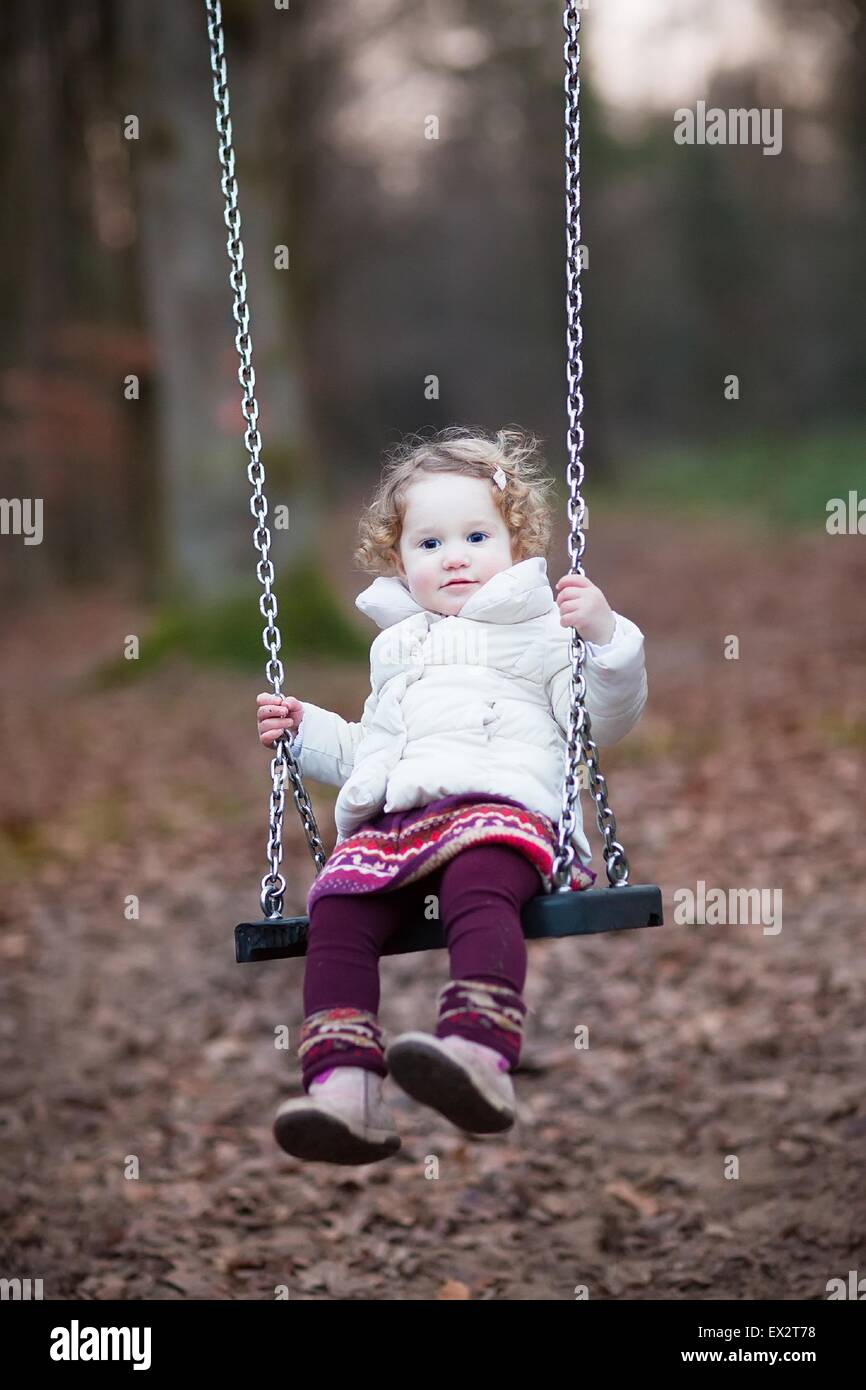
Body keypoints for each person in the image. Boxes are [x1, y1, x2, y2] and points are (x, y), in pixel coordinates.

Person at [255, 425, 648, 1164]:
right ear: (399, 561)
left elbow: (603, 718)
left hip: (504, 811)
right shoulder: (396, 649)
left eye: (475, 535)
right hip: (401, 824)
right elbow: (374, 751)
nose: (454, 556)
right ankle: (345, 1091)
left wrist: (608, 639)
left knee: (480, 878)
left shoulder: (544, 631)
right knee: (337, 903)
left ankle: (478, 1054)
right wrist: (305, 733)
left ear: (516, 541)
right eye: (428, 544)